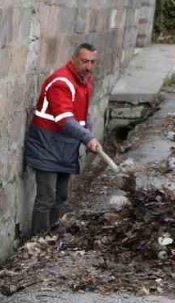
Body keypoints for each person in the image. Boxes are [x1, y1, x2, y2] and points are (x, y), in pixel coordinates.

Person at [25, 43, 104, 237]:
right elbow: (64, 120)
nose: (89, 67)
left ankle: (53, 235)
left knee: (61, 196)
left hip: (65, 148)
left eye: (93, 62)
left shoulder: (85, 81)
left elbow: (84, 115)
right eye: (85, 61)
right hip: (47, 146)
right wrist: (87, 138)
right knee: (46, 198)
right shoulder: (61, 82)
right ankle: (39, 238)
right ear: (74, 59)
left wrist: (89, 134)